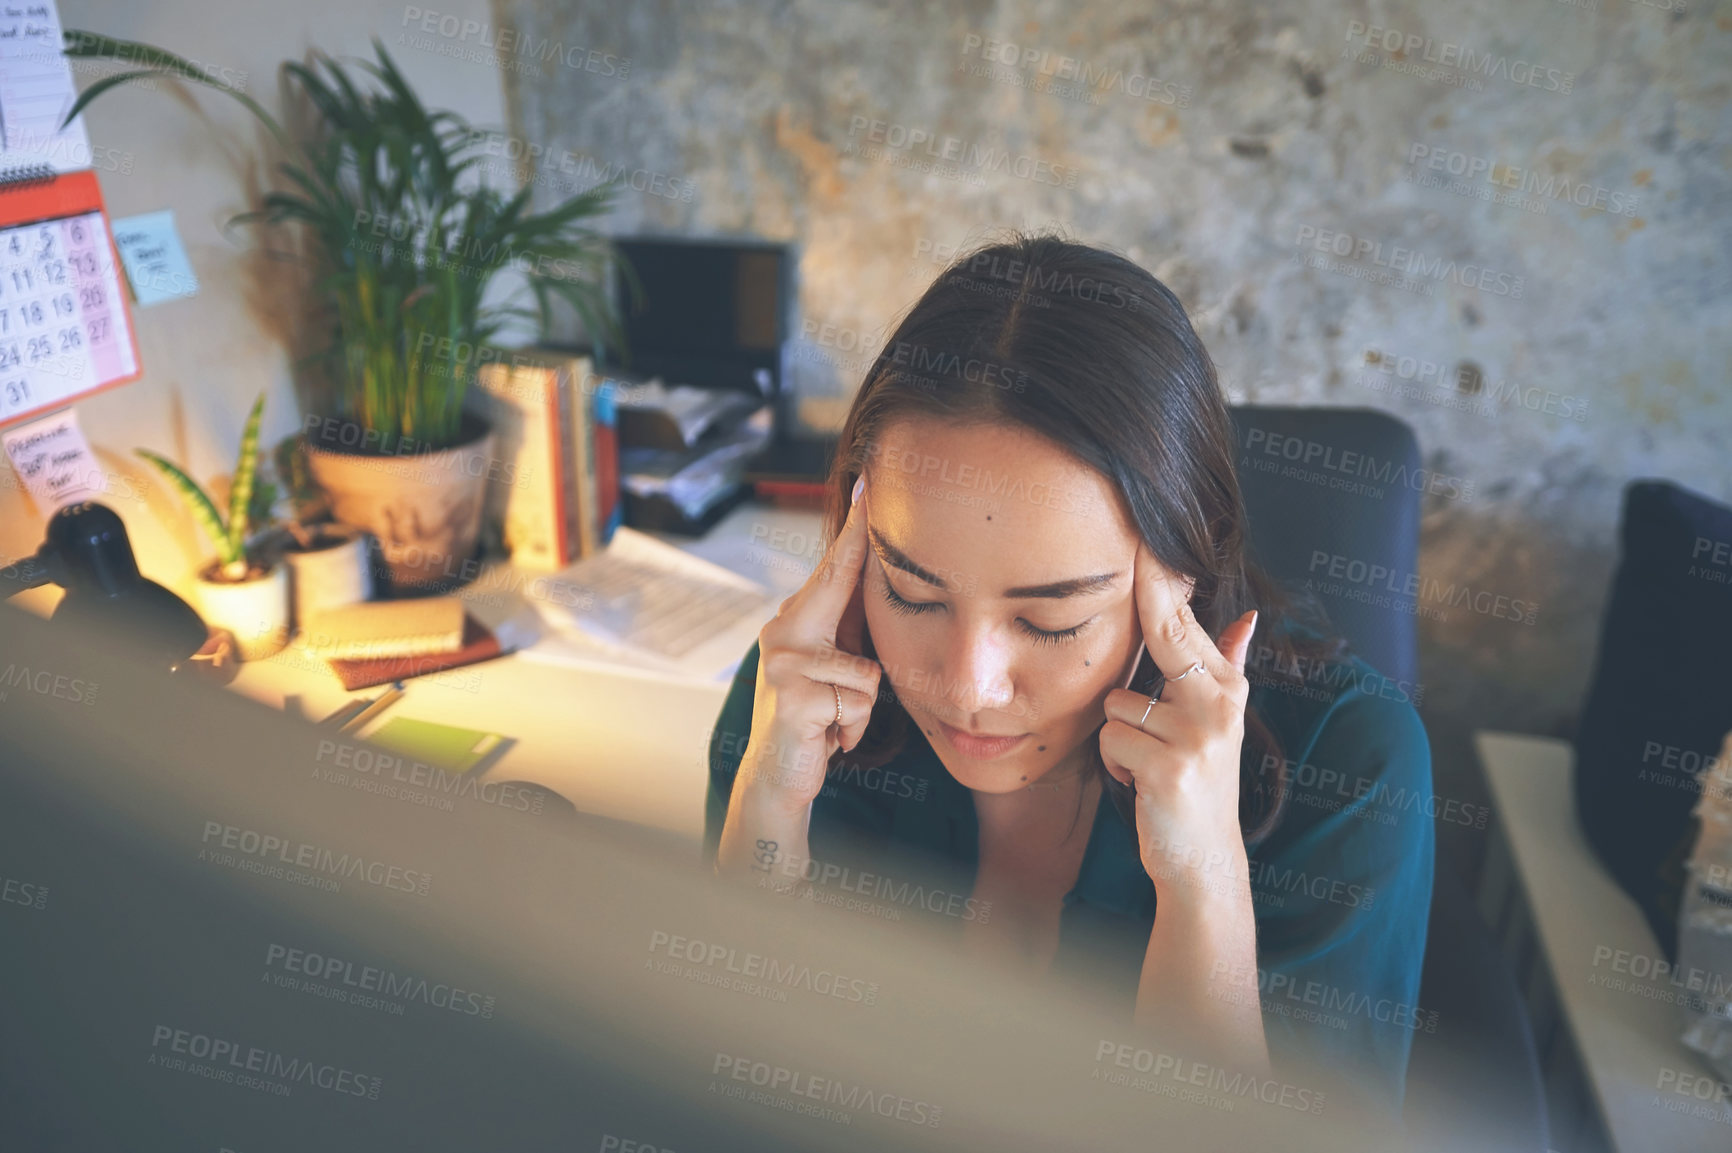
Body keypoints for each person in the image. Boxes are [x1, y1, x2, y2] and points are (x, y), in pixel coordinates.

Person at [702, 234, 1434, 1122]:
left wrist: (1203, 882)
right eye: (912, 593)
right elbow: (730, 1098)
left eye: (1051, 620)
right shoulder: (806, 696)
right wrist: (768, 805)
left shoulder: (1352, 760)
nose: (968, 687)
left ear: (1179, 565)